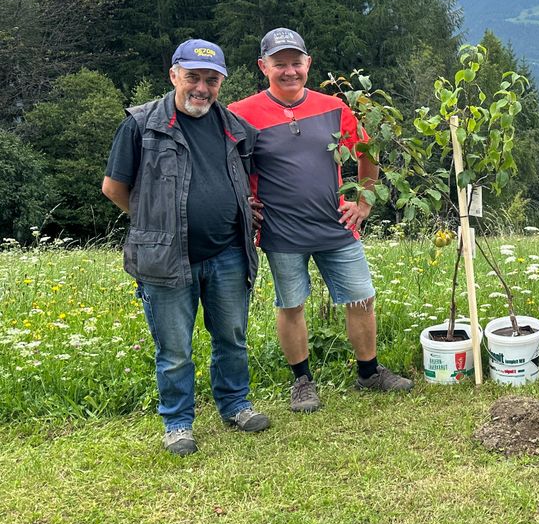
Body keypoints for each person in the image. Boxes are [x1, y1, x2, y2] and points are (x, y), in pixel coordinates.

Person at [229, 28, 412, 413]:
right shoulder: (241, 113)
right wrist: (243, 204)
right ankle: (302, 382)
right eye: (280, 64)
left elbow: (367, 151)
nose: (289, 71)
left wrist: (364, 200)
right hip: (280, 231)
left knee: (361, 298)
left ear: (308, 63)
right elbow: (225, 165)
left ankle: (369, 373)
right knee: (291, 305)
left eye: (296, 62)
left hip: (337, 226)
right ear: (263, 67)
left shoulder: (333, 106)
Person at [101, 39, 270, 456]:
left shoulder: (234, 127)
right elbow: (114, 187)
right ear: (174, 75)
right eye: (193, 77)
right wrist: (154, 221)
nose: (201, 88)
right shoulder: (141, 124)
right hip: (165, 258)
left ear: (221, 83)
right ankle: (178, 423)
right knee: (175, 350)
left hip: (229, 252)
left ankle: (235, 405)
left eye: (211, 80)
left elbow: (243, 181)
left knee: (232, 338)